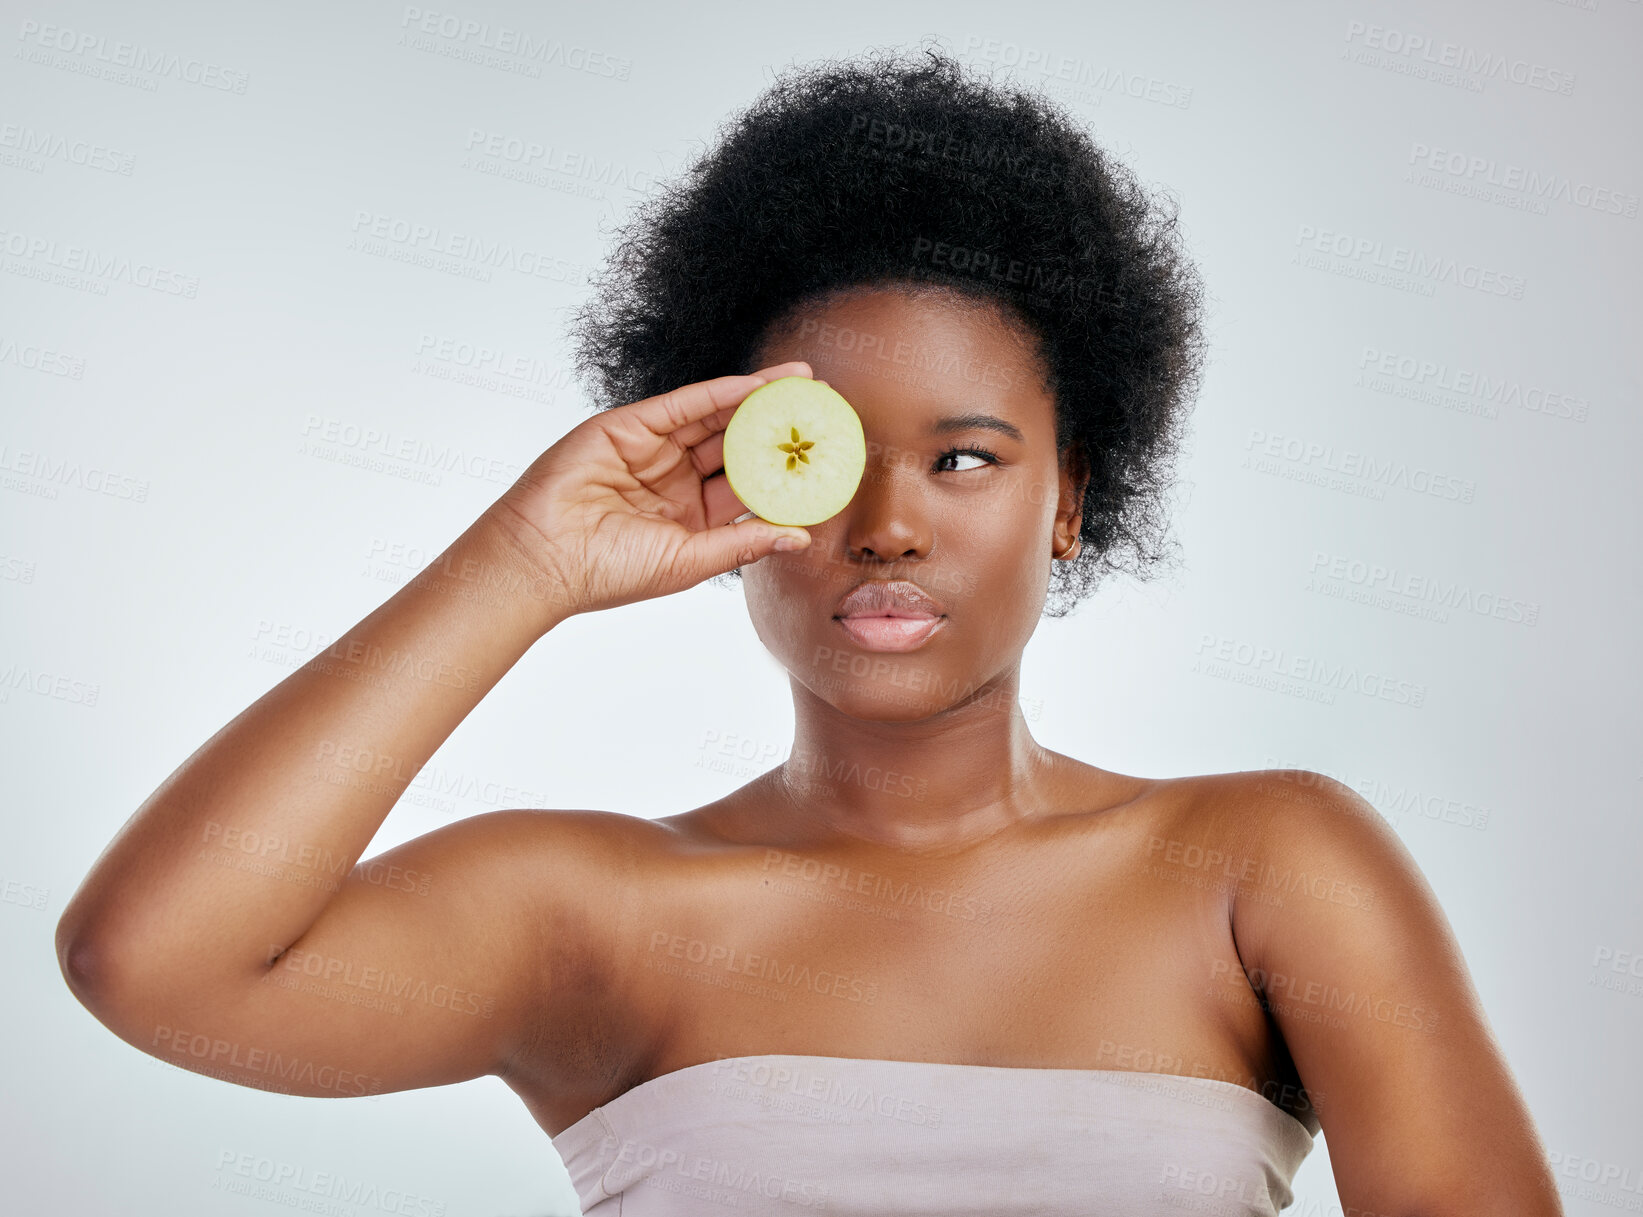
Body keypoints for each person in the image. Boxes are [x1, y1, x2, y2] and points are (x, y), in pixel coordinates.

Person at [55, 42, 1563, 1217]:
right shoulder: (602, 912)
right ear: (723, 480)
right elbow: (154, 962)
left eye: (964, 456)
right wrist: (524, 559)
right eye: (819, 456)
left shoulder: (1267, 864)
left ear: (1070, 497)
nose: (888, 525)